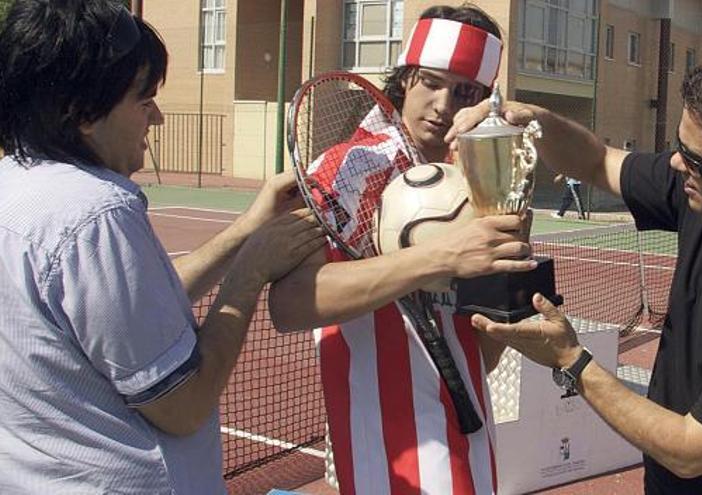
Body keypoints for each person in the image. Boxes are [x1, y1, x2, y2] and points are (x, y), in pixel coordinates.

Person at [448, 50, 702, 494]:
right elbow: (596, 161)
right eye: (678, 147)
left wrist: (571, 359)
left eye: (694, 158)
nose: (678, 163)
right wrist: (533, 118)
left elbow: (690, 450)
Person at [0, 1, 325, 493]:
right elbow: (183, 405)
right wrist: (248, 276)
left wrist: (246, 230)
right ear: (82, 112)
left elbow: (127, 315)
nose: (158, 117)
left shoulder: (15, 187)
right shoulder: (95, 214)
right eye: (144, 98)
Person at [269, 5, 531, 494]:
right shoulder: (347, 167)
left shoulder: (478, 174)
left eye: (466, 91)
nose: (444, 104)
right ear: (406, 79)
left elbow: (485, 349)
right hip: (387, 437)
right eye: (431, 82)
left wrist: (511, 276)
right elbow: (290, 304)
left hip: (467, 418)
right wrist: (440, 258)